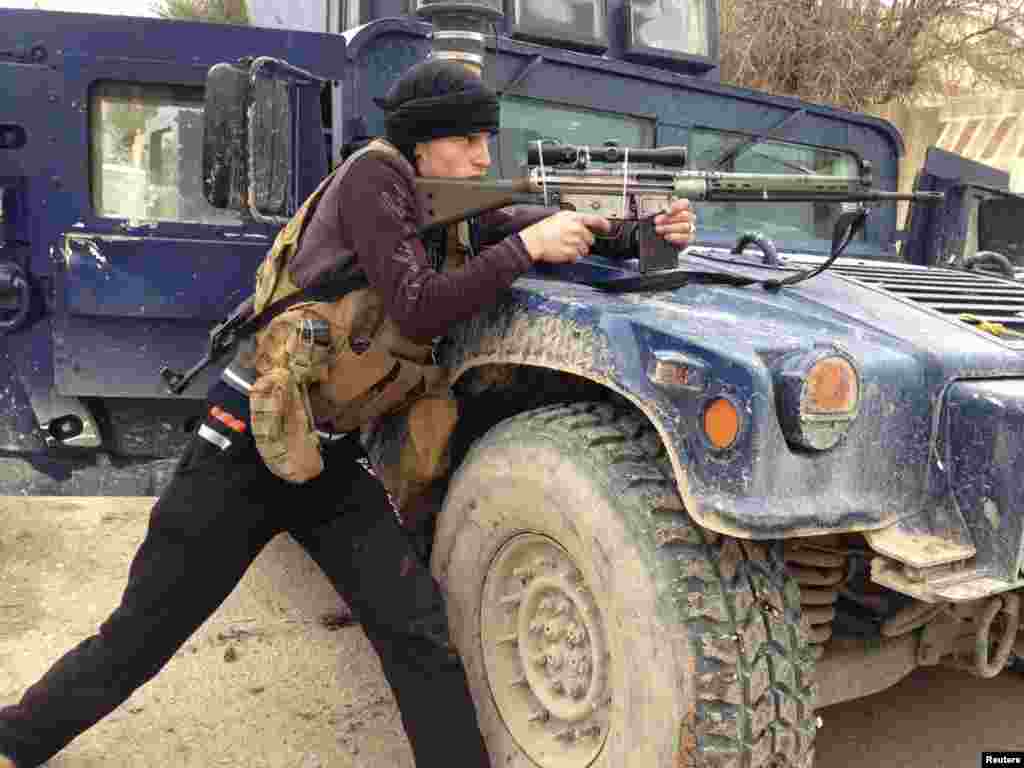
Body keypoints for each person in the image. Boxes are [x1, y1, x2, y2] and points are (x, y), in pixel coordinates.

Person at [0, 59, 696, 768]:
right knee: (143, 634)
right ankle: (17, 737)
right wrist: (524, 249)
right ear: (423, 142)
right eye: (468, 139)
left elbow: (532, 222)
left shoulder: (446, 199)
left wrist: (637, 226)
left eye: (488, 138)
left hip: (326, 453)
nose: (485, 155)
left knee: (416, 629)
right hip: (249, 443)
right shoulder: (373, 181)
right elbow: (419, 305)